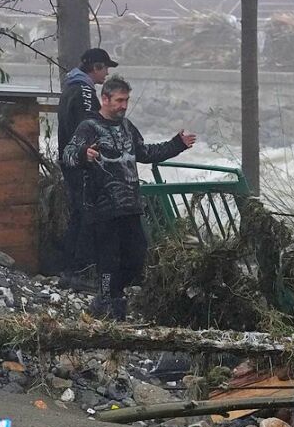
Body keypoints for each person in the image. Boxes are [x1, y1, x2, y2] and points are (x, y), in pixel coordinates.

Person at [62, 74, 197, 320]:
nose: (124, 106)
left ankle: (113, 294)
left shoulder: (127, 126)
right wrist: (84, 154)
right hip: (102, 208)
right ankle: (106, 303)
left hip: (131, 207)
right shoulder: (89, 127)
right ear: (105, 99)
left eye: (126, 100)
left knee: (137, 257)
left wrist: (177, 144)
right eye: (119, 100)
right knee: (107, 262)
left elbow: (145, 152)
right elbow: (68, 155)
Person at [56, 48, 118, 289]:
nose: (107, 73)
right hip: (81, 163)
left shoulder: (70, 86)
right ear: (96, 67)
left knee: (78, 214)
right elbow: (87, 127)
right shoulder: (83, 90)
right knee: (86, 215)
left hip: (70, 160)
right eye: (106, 68)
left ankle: (68, 269)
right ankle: (78, 272)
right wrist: (92, 155)